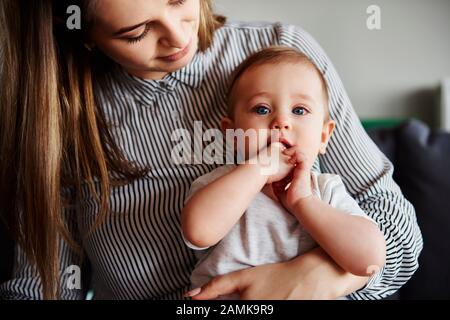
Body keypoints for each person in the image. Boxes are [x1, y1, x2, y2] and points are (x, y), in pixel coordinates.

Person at [0, 0, 422, 300]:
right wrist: (255, 171)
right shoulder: (56, 117)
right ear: (82, 32)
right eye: (137, 32)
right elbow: (45, 287)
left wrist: (311, 279)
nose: (179, 34)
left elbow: (395, 239)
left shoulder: (283, 58)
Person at [181, 46, 386, 299]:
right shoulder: (221, 183)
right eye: (262, 109)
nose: (281, 122)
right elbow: (198, 231)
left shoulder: (325, 190)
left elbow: (369, 260)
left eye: (299, 110)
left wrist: (303, 202)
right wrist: (258, 169)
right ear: (232, 134)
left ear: (324, 136)